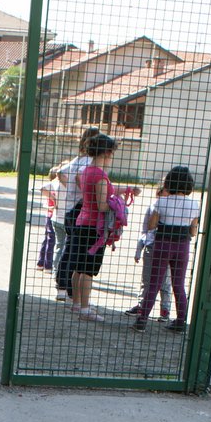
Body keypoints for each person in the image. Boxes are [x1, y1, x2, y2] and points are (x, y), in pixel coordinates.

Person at [68, 132, 140, 322]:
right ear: (106, 153)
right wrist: (118, 204)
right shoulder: (100, 175)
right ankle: (85, 308)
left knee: (78, 267)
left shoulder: (87, 171)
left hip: (82, 222)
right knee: (89, 269)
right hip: (95, 227)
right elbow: (102, 204)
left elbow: (105, 189)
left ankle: (76, 304)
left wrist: (125, 190)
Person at [132, 165, 200, 333]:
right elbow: (193, 230)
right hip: (182, 246)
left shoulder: (161, 202)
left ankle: (142, 320)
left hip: (162, 244)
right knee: (178, 284)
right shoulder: (194, 205)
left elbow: (152, 225)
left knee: (154, 283)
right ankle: (181, 321)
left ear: (169, 182)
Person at [53, 126, 101, 300]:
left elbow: (60, 173)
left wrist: (70, 190)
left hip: (71, 208)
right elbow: (80, 178)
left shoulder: (77, 160)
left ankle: (62, 286)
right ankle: (70, 290)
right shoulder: (89, 162)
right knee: (77, 251)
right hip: (81, 209)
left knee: (69, 248)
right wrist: (87, 194)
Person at [124, 181, 174, 322]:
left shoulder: (174, 208)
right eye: (164, 191)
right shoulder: (152, 207)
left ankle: (165, 310)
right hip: (151, 246)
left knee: (165, 282)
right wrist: (139, 248)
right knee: (146, 280)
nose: (167, 195)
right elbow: (145, 230)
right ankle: (142, 306)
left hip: (167, 247)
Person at [36, 165, 59, 270]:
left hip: (49, 215)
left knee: (47, 239)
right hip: (52, 215)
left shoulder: (53, 188)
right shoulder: (54, 188)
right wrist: (53, 199)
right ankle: (48, 264)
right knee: (51, 240)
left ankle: (41, 262)